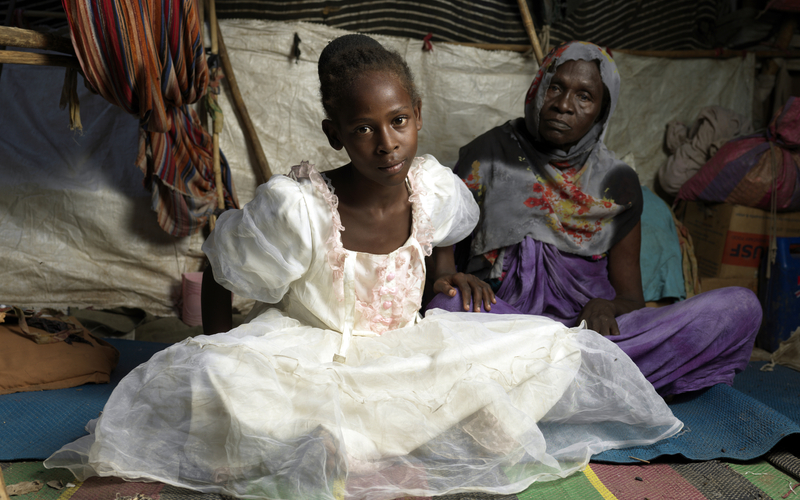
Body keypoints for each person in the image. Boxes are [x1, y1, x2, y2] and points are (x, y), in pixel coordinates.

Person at [44, 35, 682, 500]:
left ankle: (371, 433)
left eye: (398, 122)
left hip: (402, 350)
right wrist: (212, 348)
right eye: (363, 129)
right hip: (312, 352)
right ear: (334, 134)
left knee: (549, 344)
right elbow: (220, 270)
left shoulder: (433, 189)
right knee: (216, 375)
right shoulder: (297, 207)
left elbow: (448, 236)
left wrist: (444, 275)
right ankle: (357, 434)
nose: (386, 143)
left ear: (417, 118)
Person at [426, 41, 762, 397]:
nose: (563, 105)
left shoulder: (618, 182)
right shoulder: (487, 155)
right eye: (556, 87)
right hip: (507, 327)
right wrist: (455, 281)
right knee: (447, 309)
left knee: (740, 307)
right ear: (538, 88)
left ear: (602, 111)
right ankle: (595, 384)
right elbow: (443, 272)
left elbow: (631, 300)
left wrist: (605, 306)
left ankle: (549, 382)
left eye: (585, 96)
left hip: (589, 335)